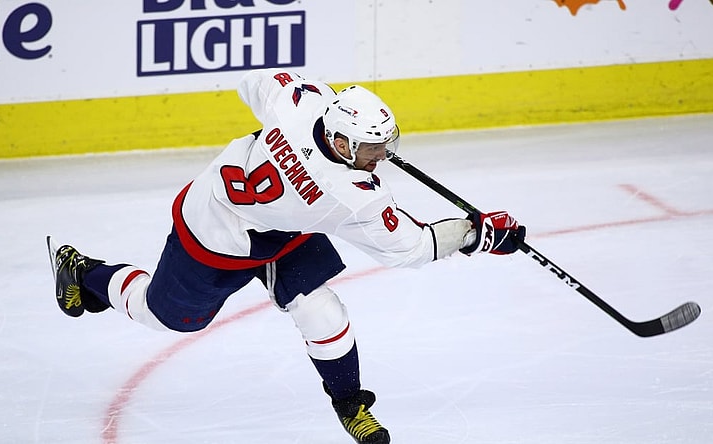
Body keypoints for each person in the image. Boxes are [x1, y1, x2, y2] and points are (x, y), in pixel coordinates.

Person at [47, 68, 526, 444]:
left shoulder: (302, 101)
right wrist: (477, 235)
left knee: (321, 309)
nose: (381, 156)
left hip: (280, 229)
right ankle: (85, 272)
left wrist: (300, 116)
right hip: (215, 231)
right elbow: (412, 248)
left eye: (385, 143)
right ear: (340, 141)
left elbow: (255, 83)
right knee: (163, 315)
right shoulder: (348, 197)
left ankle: (350, 403)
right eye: (371, 148)